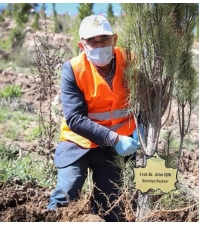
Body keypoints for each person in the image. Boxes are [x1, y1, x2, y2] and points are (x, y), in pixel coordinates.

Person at [47, 15, 139, 222]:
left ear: (114, 39)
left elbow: (149, 98)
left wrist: (140, 130)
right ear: (82, 45)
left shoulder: (131, 61)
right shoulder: (73, 69)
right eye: (92, 41)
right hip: (79, 142)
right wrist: (115, 139)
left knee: (111, 206)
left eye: (104, 39)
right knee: (67, 192)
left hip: (114, 149)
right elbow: (75, 119)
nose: (99, 45)